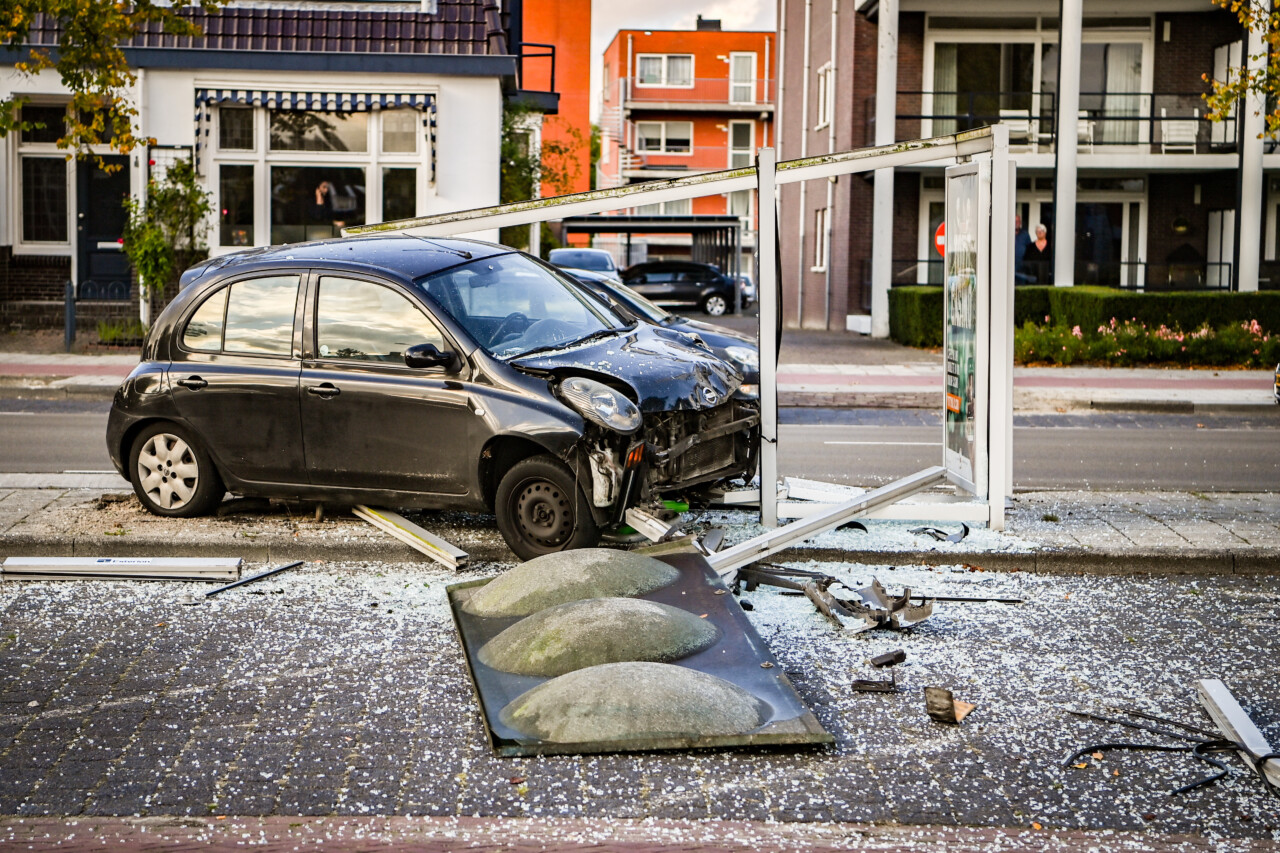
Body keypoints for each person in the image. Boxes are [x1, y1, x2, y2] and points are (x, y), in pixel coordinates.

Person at [1013, 214, 1034, 284]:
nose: (1016, 223)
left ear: (1020, 223)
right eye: (1015, 221)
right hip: (1008, 266)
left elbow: (1030, 250)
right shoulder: (1006, 233)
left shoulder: (1025, 235)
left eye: (1018, 221)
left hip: (1021, 267)